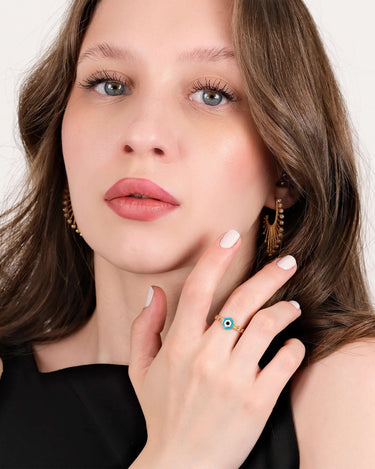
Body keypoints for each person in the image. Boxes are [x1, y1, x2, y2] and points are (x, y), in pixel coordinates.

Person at [0, 0, 375, 467]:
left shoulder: (350, 388)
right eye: (109, 84)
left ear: (284, 168)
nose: (142, 133)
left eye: (212, 94)